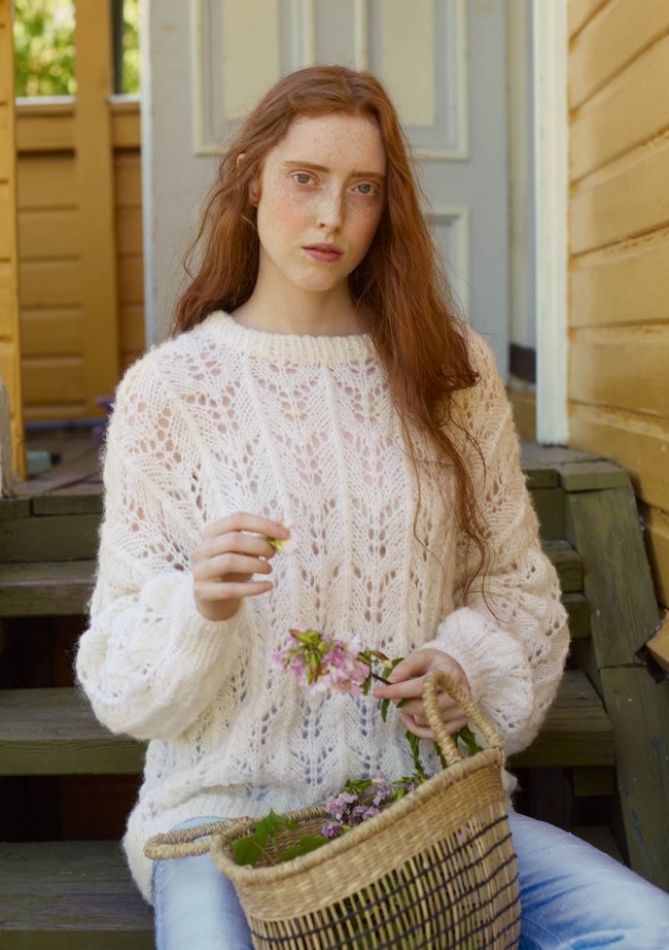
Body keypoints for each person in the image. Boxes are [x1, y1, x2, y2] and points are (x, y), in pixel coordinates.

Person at [75, 65, 669, 948]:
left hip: (425, 812)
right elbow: (117, 675)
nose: (331, 216)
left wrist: (464, 666)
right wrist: (197, 607)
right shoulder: (171, 393)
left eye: (363, 189)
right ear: (250, 182)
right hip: (224, 831)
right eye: (304, 179)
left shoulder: (448, 371)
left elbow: (518, 589)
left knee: (647, 929)